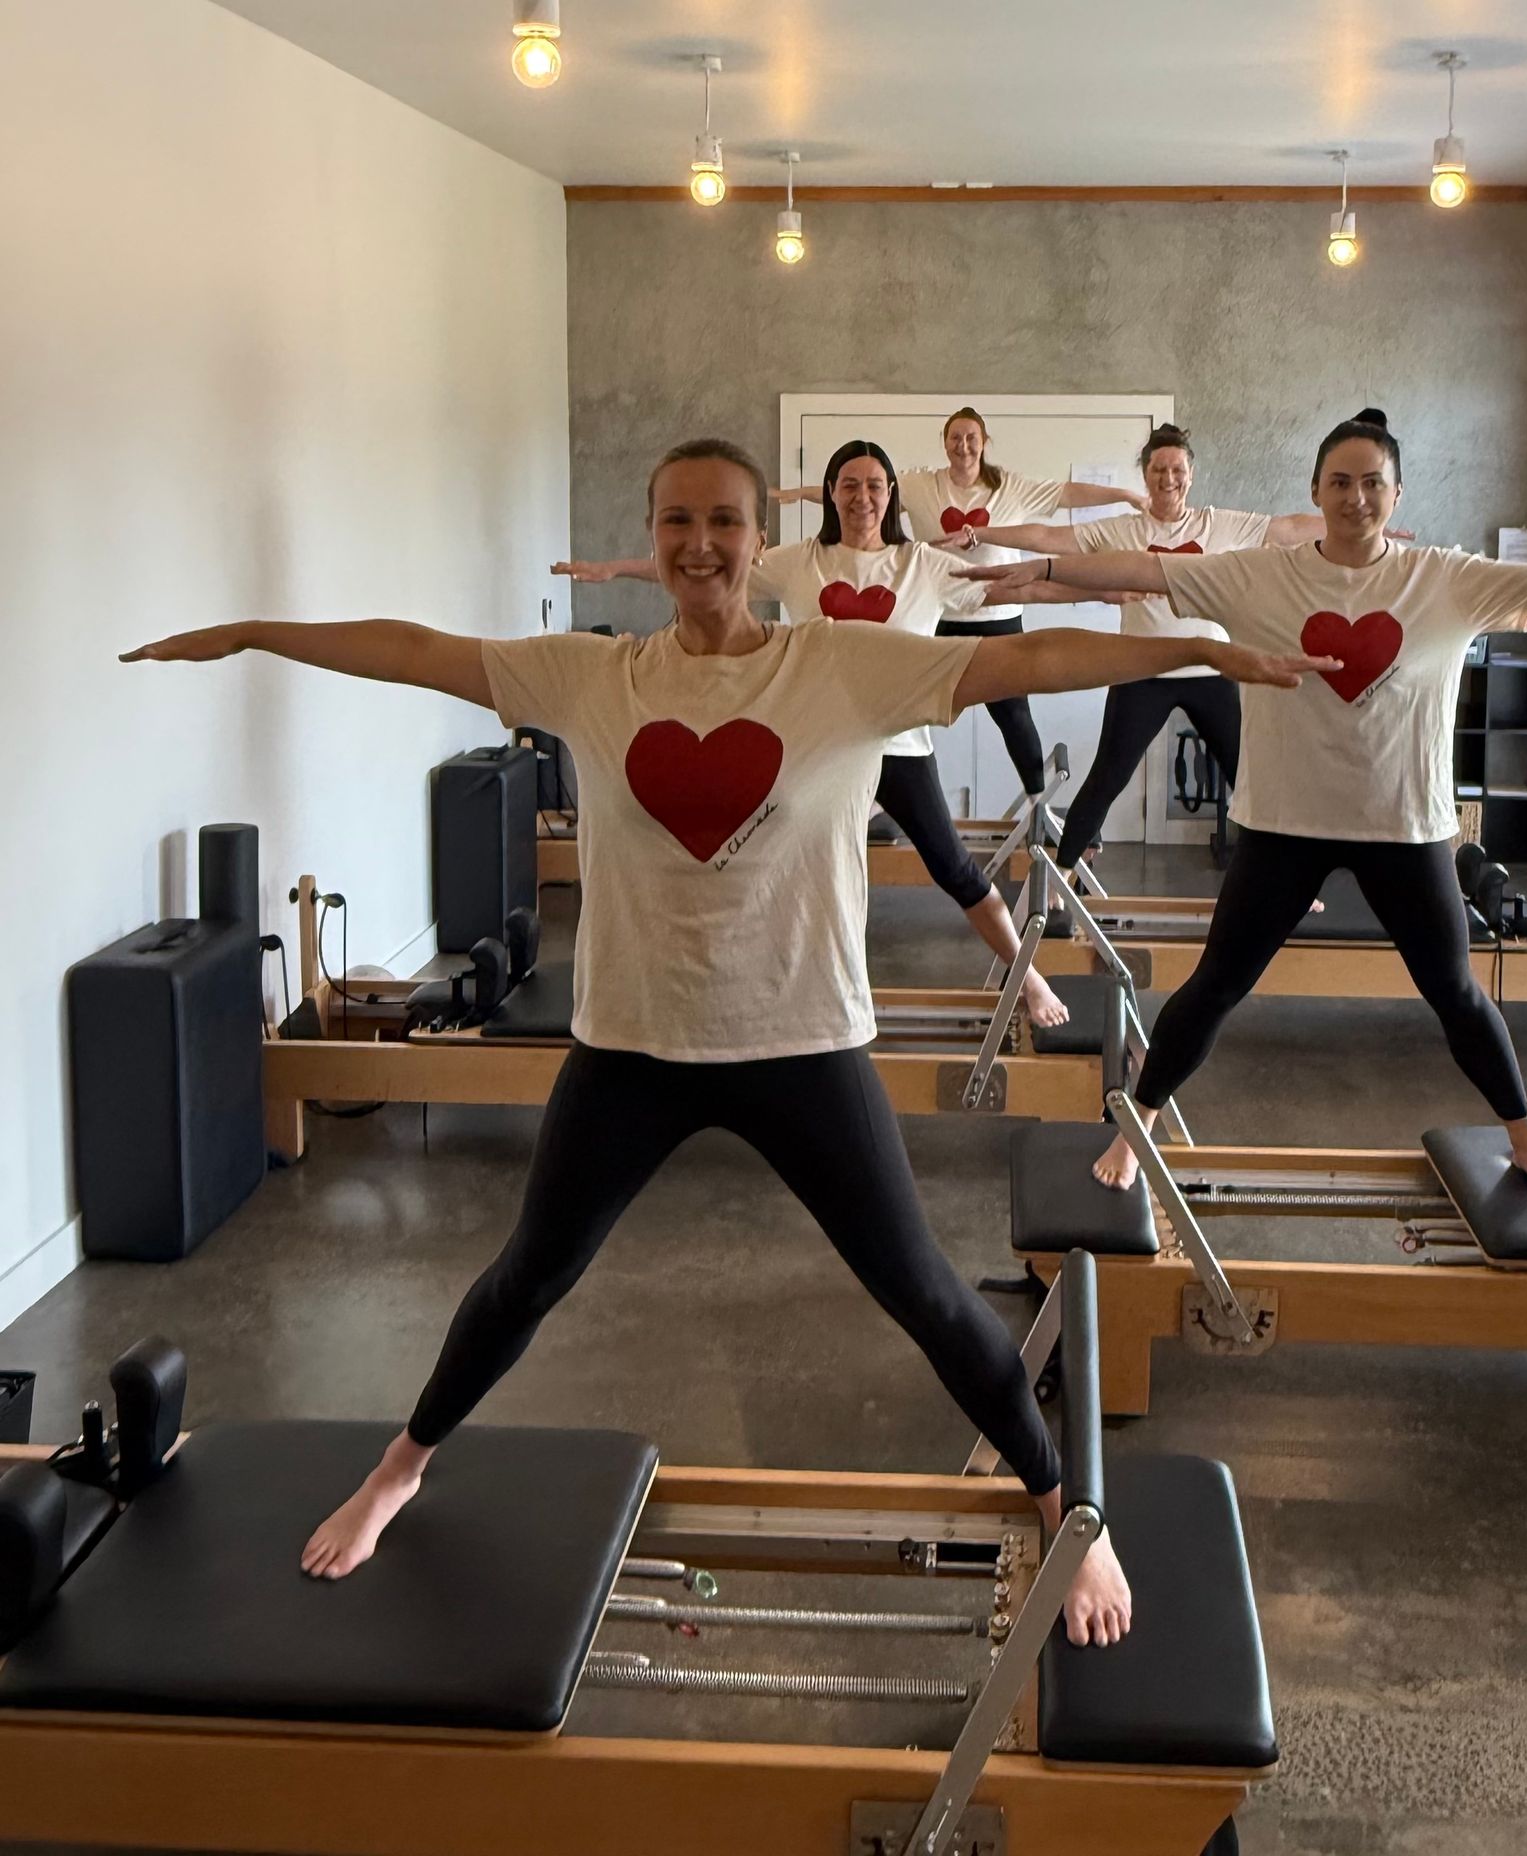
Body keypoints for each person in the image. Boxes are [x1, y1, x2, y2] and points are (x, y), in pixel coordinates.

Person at [123, 436, 1336, 1643]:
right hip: (634, 1046)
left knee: (919, 1288)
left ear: (765, 542)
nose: (700, 544)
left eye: (724, 522)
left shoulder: (846, 667)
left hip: (803, 1040)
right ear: (651, 539)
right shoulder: (591, 676)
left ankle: (1069, 1507)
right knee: (526, 1276)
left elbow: (1028, 662)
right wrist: (252, 633)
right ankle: (400, 1465)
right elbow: (416, 651)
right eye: (676, 522)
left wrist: (1192, 647)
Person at [961, 409, 1527, 1205]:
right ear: (1316, 491)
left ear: (1398, 493)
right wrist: (1038, 574)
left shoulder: (1447, 579)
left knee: (1458, 995)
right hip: (1285, 825)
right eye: (1340, 482)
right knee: (1213, 986)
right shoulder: (1259, 572)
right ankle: (1132, 1129)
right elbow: (1144, 569)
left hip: (1407, 828)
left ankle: (1526, 1139)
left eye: (1372, 484)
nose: (1356, 498)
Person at [557, 437, 1113, 1029]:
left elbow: (1018, 585)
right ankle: (742, 987)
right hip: (812, 746)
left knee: (954, 866)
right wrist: (614, 568)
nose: (862, 497)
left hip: (898, 745)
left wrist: (1105, 588)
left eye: (875, 485)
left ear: (891, 495)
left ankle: (1027, 979)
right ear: (830, 493)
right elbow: (709, 566)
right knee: (758, 864)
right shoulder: (801, 562)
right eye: (849, 484)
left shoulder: (923, 564)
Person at [942, 421, 1335, 874]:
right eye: (1158, 470)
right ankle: (1058, 879)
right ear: (1144, 476)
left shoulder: (1219, 525)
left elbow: (1286, 529)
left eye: (1177, 469)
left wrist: (1357, 521)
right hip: (1140, 672)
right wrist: (983, 535)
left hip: (1209, 670)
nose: (1168, 479)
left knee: (1248, 778)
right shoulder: (1122, 531)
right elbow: (1048, 539)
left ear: (1191, 473)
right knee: (1107, 778)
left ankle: (1287, 881)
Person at [774, 406, 1146, 797]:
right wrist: (800, 493)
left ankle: (1039, 801)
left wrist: (1123, 495)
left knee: (1014, 716)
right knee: (909, 707)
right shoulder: (921, 485)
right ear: (945, 442)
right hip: (940, 614)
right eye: (955, 437)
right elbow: (861, 492)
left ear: (984, 443)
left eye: (971, 437)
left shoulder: (1009, 486)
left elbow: (1069, 495)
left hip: (997, 613)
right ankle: (883, 797)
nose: (963, 445)